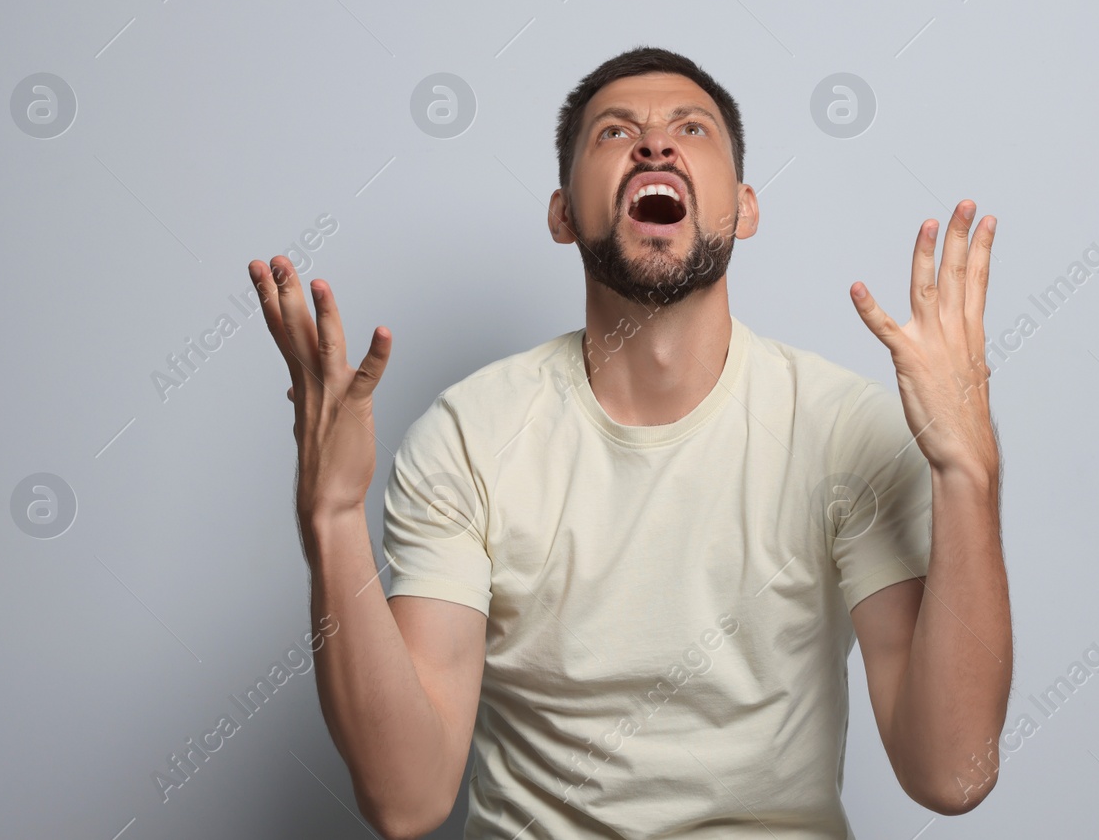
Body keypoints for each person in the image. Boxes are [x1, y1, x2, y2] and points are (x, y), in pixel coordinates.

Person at [247, 46, 1012, 839]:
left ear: (745, 206)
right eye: (615, 133)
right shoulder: (470, 436)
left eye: (692, 128)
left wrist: (969, 472)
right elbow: (406, 800)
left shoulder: (843, 427)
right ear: (563, 214)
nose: (655, 144)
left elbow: (951, 772)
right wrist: (334, 518)